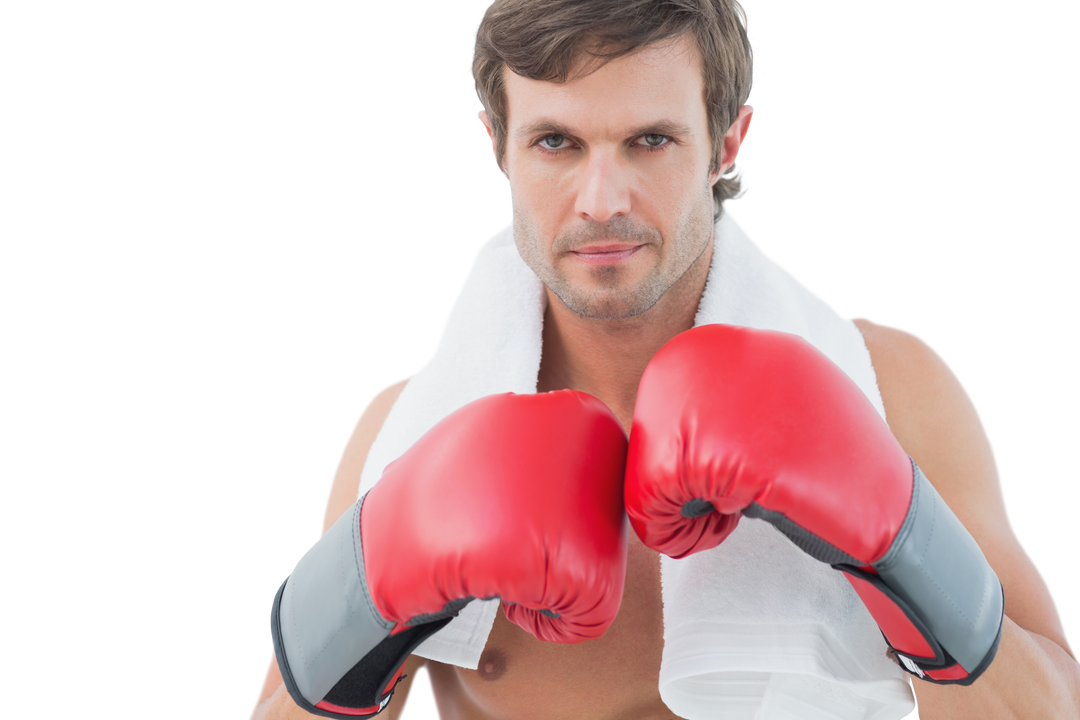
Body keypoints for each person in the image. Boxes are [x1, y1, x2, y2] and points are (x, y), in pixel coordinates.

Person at [249, 1, 1079, 718]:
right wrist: (370, 593)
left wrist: (898, 550)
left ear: (727, 142)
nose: (602, 200)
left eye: (649, 139)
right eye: (556, 143)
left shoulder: (891, 388)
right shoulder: (406, 431)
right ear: (495, 142)